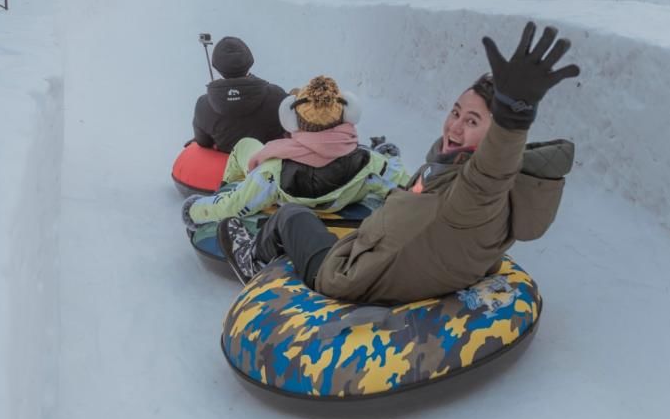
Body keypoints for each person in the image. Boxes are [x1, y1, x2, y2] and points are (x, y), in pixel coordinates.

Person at [217, 21, 579, 306]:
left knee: (292, 217)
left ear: (495, 138)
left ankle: (251, 261)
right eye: (456, 112)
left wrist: (514, 115)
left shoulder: (479, 191)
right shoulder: (479, 185)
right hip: (412, 262)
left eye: (472, 121)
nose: (455, 125)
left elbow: (492, 172)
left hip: (352, 276)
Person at [184, 75, 407, 231]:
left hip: (287, 198)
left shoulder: (274, 170)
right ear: (347, 116)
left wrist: (195, 210)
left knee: (245, 145)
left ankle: (229, 185)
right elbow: (408, 185)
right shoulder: (370, 163)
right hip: (343, 196)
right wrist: (390, 160)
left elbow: (234, 206)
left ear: (292, 119)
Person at [192, 36, 287, 153]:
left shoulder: (203, 105)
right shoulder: (277, 95)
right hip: (270, 166)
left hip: (228, 167)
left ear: (216, 66)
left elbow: (203, 142)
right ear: (249, 61)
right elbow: (289, 129)